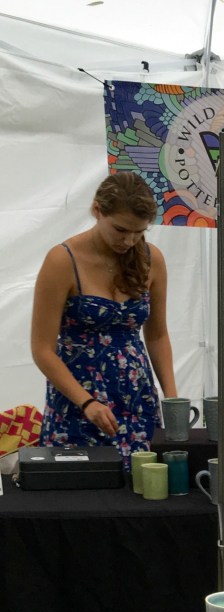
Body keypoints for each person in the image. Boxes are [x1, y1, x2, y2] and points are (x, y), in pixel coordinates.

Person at [31, 172, 179, 469]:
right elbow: (42, 349)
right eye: (120, 230)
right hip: (77, 403)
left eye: (139, 232)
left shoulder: (152, 259)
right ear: (97, 210)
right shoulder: (62, 261)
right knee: (81, 484)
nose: (129, 240)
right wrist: (86, 402)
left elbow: (157, 335)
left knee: (141, 485)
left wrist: (173, 401)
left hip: (137, 400)